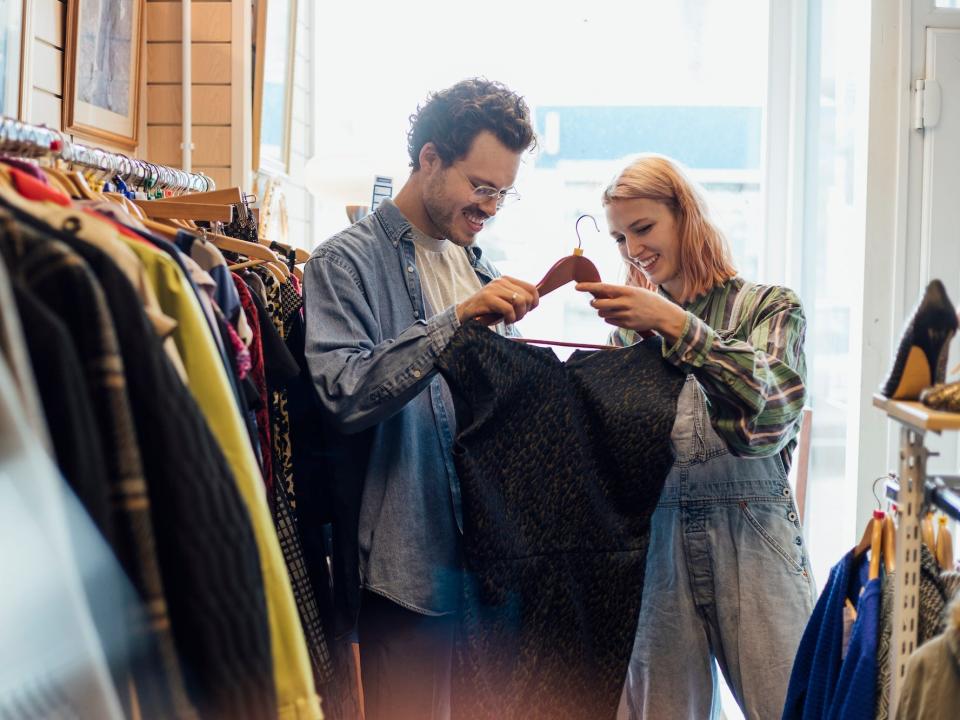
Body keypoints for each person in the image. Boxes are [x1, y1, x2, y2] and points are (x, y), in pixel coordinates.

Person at [301, 78, 539, 720]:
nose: (491, 205)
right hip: (406, 573)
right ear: (430, 159)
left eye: (503, 191)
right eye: (481, 186)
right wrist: (452, 323)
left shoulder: (480, 267)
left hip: (488, 571)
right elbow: (343, 393)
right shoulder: (342, 264)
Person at [576, 154, 815, 719]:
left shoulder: (769, 307)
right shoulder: (624, 340)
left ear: (686, 216)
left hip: (753, 536)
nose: (633, 250)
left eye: (643, 228)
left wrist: (677, 325)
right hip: (655, 550)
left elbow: (770, 418)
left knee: (792, 708)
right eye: (618, 237)